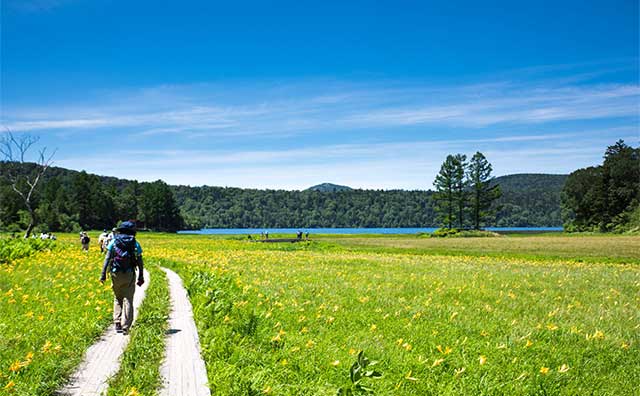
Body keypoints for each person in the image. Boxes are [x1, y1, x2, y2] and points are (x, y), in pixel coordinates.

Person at [99, 221, 145, 335]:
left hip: (115, 273)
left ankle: (117, 322)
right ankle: (126, 326)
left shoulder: (114, 242)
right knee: (128, 299)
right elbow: (140, 261)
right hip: (129, 273)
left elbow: (107, 259)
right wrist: (141, 276)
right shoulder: (135, 243)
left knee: (117, 297)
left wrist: (103, 274)